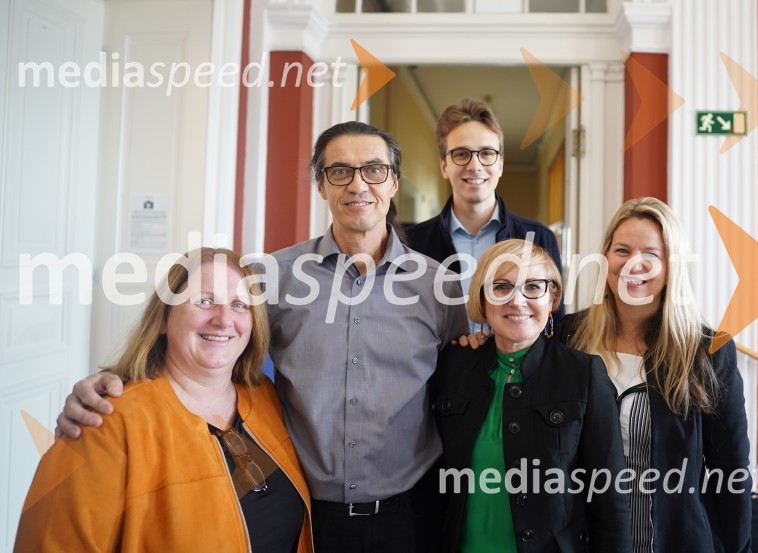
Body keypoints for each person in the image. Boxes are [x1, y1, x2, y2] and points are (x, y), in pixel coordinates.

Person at [56, 122, 470, 553]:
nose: (357, 184)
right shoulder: (271, 277)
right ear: (321, 186)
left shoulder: (439, 288)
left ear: (394, 182)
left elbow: (463, 385)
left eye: (374, 170)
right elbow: (206, 347)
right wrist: (115, 382)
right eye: (339, 171)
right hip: (305, 515)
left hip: (414, 516)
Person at [16, 248, 312, 553]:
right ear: (163, 319)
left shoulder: (264, 395)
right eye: (204, 301)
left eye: (239, 305)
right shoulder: (101, 422)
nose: (224, 320)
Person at [558, 197, 751, 552]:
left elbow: (731, 469)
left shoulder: (706, 351)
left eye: (652, 254)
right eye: (622, 250)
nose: (635, 264)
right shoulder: (568, 336)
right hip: (582, 541)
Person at [432, 239, 632, 553]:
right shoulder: (453, 366)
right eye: (501, 286)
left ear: (551, 298)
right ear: (483, 301)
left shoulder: (584, 375)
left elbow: (611, 499)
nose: (518, 300)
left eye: (533, 287)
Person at [406, 97, 564, 328]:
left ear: (500, 163)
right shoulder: (412, 242)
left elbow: (554, 323)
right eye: (461, 154)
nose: (475, 166)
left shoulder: (538, 238)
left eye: (487, 153)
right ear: (443, 166)